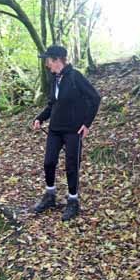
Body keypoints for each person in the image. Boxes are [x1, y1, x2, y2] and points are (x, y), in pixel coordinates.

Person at [31, 45, 100, 221]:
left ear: (57, 60)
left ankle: (73, 201)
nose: (47, 65)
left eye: (48, 61)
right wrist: (40, 118)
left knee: (71, 166)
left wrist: (86, 124)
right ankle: (50, 196)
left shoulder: (75, 77)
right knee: (49, 162)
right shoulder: (54, 78)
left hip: (73, 130)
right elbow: (52, 104)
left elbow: (95, 98)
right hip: (55, 129)